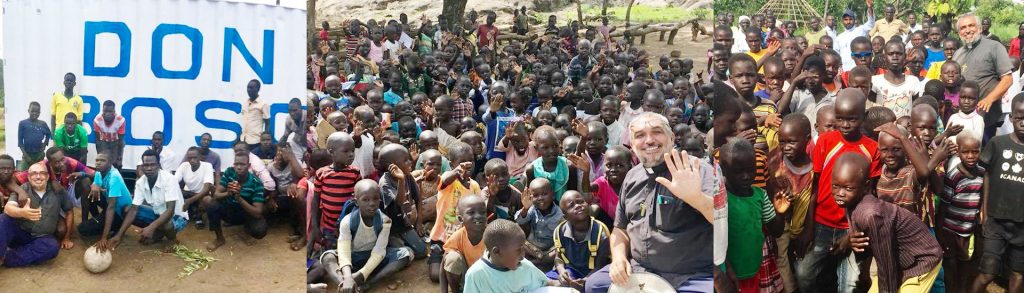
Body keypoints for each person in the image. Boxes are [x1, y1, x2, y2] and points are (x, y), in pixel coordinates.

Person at [586, 113, 715, 292]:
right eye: (640, 135)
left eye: (657, 132)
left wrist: (696, 198)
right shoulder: (632, 176)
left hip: (691, 275)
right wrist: (618, 258)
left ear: (671, 137)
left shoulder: (697, 170)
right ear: (632, 144)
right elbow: (620, 229)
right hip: (639, 270)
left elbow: (724, 220)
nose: (649, 140)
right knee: (594, 285)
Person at [795, 89, 880, 293]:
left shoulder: (872, 148)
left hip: (852, 226)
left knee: (850, 284)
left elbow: (871, 194)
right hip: (822, 223)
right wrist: (809, 227)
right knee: (804, 275)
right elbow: (813, 186)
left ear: (863, 117)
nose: (845, 125)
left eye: (851, 119)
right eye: (840, 118)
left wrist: (854, 232)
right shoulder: (825, 142)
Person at [831, 152, 943, 292]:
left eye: (848, 188)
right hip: (900, 260)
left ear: (866, 186)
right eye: (835, 186)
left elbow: (886, 263)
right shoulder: (852, 202)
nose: (840, 193)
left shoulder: (871, 214)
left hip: (921, 260)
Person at [970, 93, 1024, 293]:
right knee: (987, 273)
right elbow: (987, 176)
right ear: (1011, 118)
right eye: (1019, 117)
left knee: (1018, 274)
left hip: (1022, 224)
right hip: (996, 221)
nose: (1023, 122)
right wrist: (984, 210)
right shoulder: (997, 143)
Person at [334, 179, 413, 293]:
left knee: (406, 253)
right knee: (328, 257)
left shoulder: (385, 221)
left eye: (375, 198)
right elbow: (344, 251)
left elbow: (379, 252)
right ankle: (344, 282)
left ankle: (368, 283)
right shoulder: (347, 221)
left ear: (379, 200)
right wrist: (347, 276)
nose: (371, 203)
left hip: (374, 258)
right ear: (356, 202)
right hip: (353, 259)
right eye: (365, 200)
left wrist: (362, 274)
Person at [108, 150, 187, 251]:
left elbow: (170, 211)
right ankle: (159, 232)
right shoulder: (141, 182)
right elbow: (134, 209)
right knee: (127, 209)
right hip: (158, 214)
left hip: (176, 217)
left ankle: (172, 240)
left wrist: (151, 227)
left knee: (166, 223)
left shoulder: (169, 179)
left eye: (153, 165)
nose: (149, 168)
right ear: (142, 166)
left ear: (158, 165)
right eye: (146, 165)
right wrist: (120, 234)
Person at [952, 14, 1014, 144]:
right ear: (959, 32)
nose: (967, 30)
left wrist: (989, 99)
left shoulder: (994, 47)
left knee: (983, 156)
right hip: (962, 118)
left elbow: (1007, 79)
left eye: (971, 25)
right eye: (963, 27)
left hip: (986, 116)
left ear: (979, 28)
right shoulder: (958, 53)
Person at [0, 162, 73, 267]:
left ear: (47, 176)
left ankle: (7, 258)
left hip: (41, 237)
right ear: (29, 177)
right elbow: (8, 208)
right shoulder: (23, 189)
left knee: (52, 247)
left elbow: (69, 212)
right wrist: (22, 212)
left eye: (42, 173)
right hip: (20, 234)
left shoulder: (58, 191)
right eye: (34, 174)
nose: (38, 177)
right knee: (2, 219)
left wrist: (67, 237)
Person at [939, 132, 984, 292]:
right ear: (958, 152)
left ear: (980, 151)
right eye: (965, 152)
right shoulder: (954, 176)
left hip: (967, 231)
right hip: (950, 230)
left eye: (975, 151)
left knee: (965, 265)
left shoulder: (982, 174)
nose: (971, 156)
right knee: (950, 266)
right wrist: (940, 233)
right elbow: (943, 207)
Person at [463, 219, 559, 292]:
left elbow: (546, 282)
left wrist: (562, 285)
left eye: (523, 249)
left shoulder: (524, 266)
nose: (523, 255)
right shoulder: (477, 275)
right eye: (518, 250)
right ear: (497, 252)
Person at [204, 153, 268, 251]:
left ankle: (246, 231)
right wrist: (228, 193)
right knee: (209, 202)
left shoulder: (256, 183)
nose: (238, 167)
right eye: (236, 164)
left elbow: (257, 213)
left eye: (242, 164)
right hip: (229, 210)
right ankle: (219, 238)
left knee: (260, 230)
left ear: (249, 166)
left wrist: (239, 198)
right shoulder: (229, 172)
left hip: (245, 214)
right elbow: (216, 195)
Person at [78, 152, 133, 241]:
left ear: (110, 163)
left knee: (82, 229)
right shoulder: (100, 172)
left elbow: (112, 207)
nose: (98, 163)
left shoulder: (114, 177)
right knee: (90, 193)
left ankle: (115, 227)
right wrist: (94, 185)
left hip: (118, 213)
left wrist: (104, 238)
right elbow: (96, 181)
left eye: (102, 160)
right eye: (97, 160)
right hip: (109, 205)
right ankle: (97, 220)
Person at [440, 195, 488, 292]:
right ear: (461, 219)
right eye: (471, 212)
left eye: (482, 212)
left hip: (488, 282)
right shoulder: (458, 236)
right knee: (452, 259)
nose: (478, 216)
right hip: (467, 282)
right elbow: (444, 265)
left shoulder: (492, 235)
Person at [175, 147, 215, 229]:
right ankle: (183, 214)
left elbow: (206, 188)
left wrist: (189, 201)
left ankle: (199, 217)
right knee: (174, 192)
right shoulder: (184, 166)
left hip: (201, 195)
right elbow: (174, 181)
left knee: (207, 199)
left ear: (200, 157)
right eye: (190, 158)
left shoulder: (207, 166)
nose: (192, 160)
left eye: (195, 157)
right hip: (188, 193)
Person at [836, 0, 876, 71]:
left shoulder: (860, 30)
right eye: (846, 19)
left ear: (854, 20)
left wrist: (869, 8)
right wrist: (839, 67)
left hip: (859, 67)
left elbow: (871, 23)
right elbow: (836, 54)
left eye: (850, 19)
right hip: (844, 69)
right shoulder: (839, 37)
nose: (848, 22)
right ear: (842, 21)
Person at [93, 100, 126, 168]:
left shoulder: (120, 120)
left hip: (116, 142)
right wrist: (100, 154)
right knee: (103, 163)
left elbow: (120, 141)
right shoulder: (97, 120)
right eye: (105, 111)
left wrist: (119, 156)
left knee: (116, 164)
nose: (107, 114)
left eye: (110, 111)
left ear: (114, 112)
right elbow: (98, 140)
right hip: (103, 141)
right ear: (102, 111)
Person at [18, 102, 51, 170]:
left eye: (37, 112)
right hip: (27, 154)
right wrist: (26, 156)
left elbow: (48, 133)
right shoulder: (22, 123)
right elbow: (20, 142)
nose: (35, 113)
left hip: (39, 155)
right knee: (24, 175)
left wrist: (45, 144)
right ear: (28, 111)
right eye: (32, 111)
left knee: (40, 173)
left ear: (40, 112)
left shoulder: (43, 124)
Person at [240, 79, 270, 150]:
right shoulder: (245, 103)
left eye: (251, 88)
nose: (249, 90)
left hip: (255, 141)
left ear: (258, 89)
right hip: (243, 140)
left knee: (254, 161)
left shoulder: (263, 104)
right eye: (248, 87)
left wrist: (264, 140)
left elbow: (267, 123)